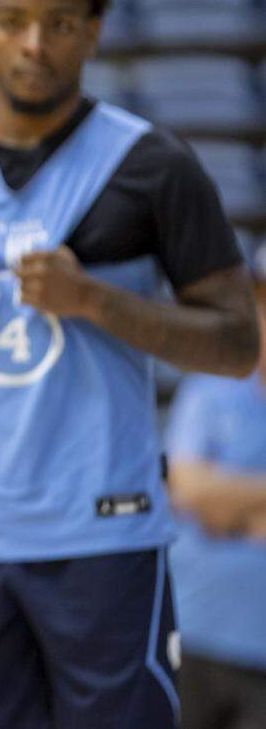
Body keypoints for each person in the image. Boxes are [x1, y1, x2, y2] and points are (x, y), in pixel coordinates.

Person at [0, 0, 260, 729]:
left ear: (94, 33)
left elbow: (239, 345)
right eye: (14, 23)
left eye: (60, 24)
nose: (35, 44)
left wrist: (95, 299)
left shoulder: (155, 168)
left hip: (102, 532)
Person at [166, 238, 266, 729]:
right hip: (197, 636)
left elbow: (208, 496)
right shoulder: (212, 389)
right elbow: (188, 489)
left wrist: (229, 501)